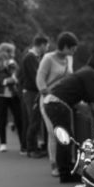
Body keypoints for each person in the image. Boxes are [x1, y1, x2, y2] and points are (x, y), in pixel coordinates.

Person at [40, 53, 94, 178]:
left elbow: (85, 95)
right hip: (58, 104)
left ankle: (66, 168)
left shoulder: (84, 72)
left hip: (51, 102)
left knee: (65, 137)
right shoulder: (91, 74)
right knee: (65, 138)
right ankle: (65, 172)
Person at [36, 32, 78, 174]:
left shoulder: (69, 59)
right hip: (49, 101)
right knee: (53, 132)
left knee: (66, 133)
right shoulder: (48, 58)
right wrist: (49, 94)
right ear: (65, 46)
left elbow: (71, 77)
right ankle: (55, 164)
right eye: (72, 49)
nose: (73, 52)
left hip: (64, 102)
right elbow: (40, 80)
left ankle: (67, 162)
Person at [0, 42, 24, 153]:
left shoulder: (13, 63)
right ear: (4, 52)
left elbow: (19, 76)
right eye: (10, 52)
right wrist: (3, 81)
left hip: (13, 94)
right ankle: (3, 143)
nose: (12, 54)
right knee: (2, 119)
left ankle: (23, 143)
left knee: (19, 118)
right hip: (0, 94)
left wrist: (15, 80)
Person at [19, 35, 50, 157]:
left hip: (30, 93)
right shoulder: (31, 58)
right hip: (31, 94)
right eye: (46, 46)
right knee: (34, 121)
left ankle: (31, 147)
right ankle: (31, 149)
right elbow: (36, 77)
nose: (47, 48)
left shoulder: (32, 57)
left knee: (33, 120)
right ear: (41, 45)